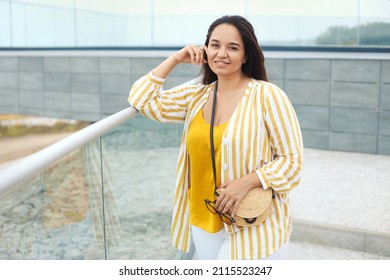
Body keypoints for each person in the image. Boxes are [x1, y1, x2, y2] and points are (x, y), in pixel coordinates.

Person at [128, 15, 303, 260]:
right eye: (215, 45)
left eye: (233, 47)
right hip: (203, 219)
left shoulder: (268, 96)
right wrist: (176, 59)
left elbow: (292, 161)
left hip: (252, 221)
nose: (222, 53)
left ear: (246, 55)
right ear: (205, 49)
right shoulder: (195, 96)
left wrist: (247, 182)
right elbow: (142, 100)